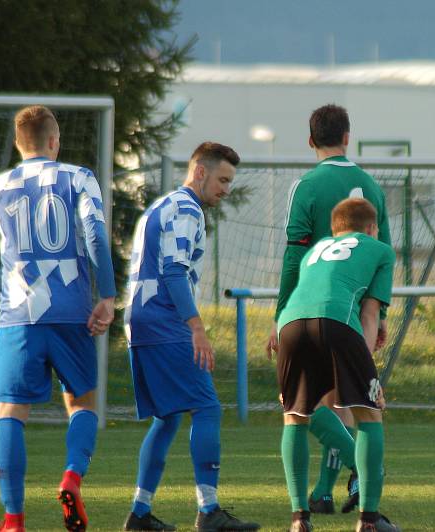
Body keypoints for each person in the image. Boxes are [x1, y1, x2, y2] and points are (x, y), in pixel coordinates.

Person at [0, 105, 117, 532]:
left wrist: (5, 284)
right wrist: (108, 296)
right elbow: (96, 235)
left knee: (11, 411)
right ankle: (71, 477)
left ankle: (13, 519)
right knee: (82, 403)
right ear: (54, 140)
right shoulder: (78, 177)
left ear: (17, 144)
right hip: (72, 313)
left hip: (19, 316)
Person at [122, 142, 260, 532]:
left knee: (167, 418)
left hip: (140, 320)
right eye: (222, 179)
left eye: (230, 182)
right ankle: (209, 510)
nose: (226, 189)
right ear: (200, 172)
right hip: (166, 321)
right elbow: (173, 271)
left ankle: (140, 513)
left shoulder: (160, 205)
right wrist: (196, 327)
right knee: (207, 407)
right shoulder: (186, 209)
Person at [266, 103, 392, 515]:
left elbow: (292, 255)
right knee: (349, 404)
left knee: (307, 405)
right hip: (353, 307)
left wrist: (279, 312)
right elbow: (382, 251)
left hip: (307, 303)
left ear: (310, 140)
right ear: (347, 137)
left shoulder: (306, 186)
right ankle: (329, 489)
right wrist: (380, 318)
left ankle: (322, 492)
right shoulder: (371, 186)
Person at [277, 198, 399, 532]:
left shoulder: (317, 249)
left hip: (289, 325)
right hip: (336, 320)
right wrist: (368, 375)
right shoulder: (380, 249)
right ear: (372, 228)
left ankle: (299, 519)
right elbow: (370, 313)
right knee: (368, 412)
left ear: (335, 229)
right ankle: (369, 521)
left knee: (295, 417)